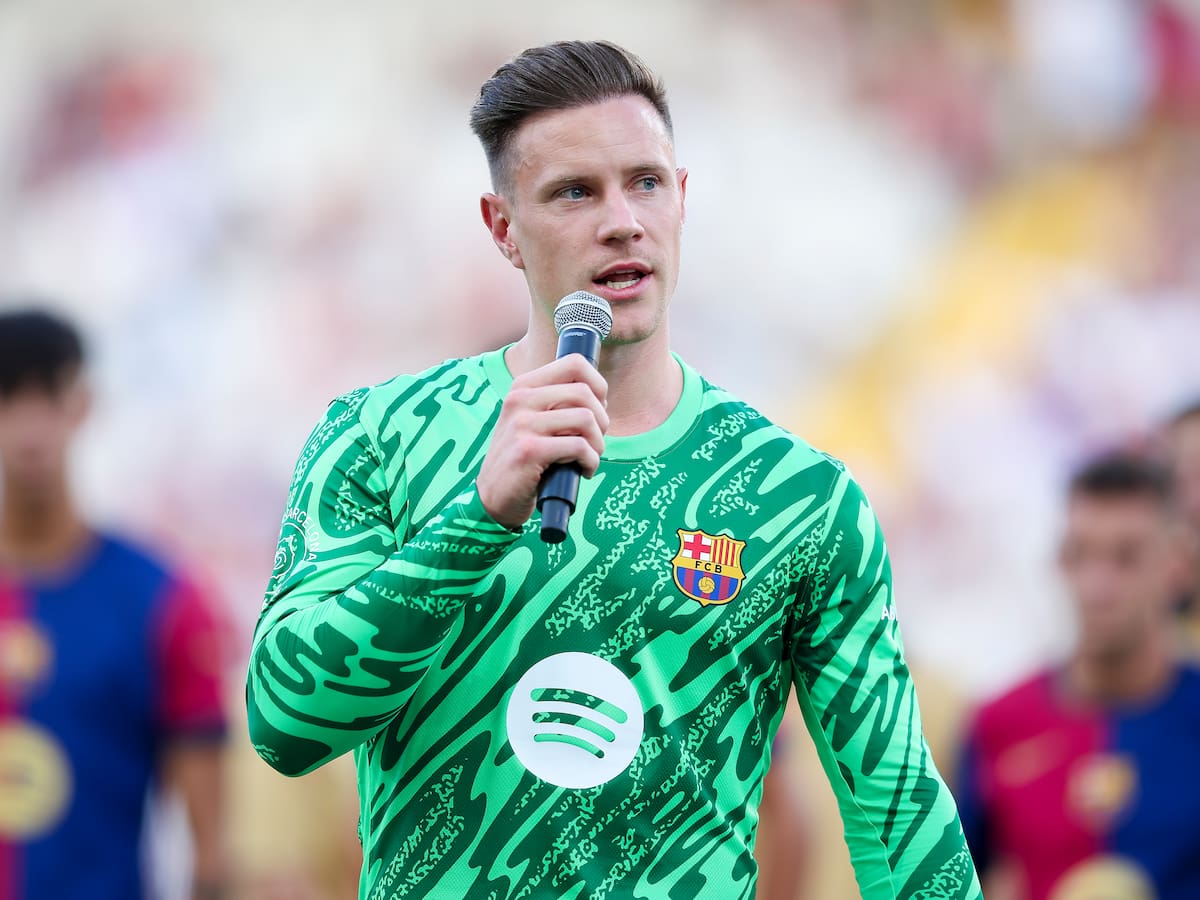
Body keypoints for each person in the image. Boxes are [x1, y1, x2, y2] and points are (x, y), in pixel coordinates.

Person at [246, 40, 981, 899]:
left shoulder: (797, 497)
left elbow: (897, 807)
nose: (622, 220)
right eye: (574, 192)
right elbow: (285, 725)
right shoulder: (380, 436)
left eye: (646, 183)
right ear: (502, 228)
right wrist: (478, 519)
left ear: (682, 199)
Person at [0, 308, 228, 899]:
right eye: (9, 396)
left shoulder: (164, 601)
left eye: (48, 396)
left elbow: (211, 853)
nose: (29, 428)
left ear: (82, 406)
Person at [956, 452, 1200, 900]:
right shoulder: (999, 722)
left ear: (1178, 565)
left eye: (1127, 557)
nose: (1097, 586)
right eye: (1080, 554)